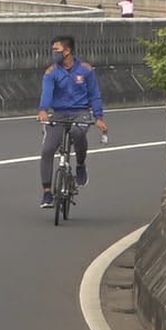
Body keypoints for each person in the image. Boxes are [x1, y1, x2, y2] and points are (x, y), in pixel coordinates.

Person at [37, 35, 108, 208]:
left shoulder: (86, 70)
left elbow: (94, 95)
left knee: (77, 132)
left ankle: (81, 165)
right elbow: (47, 92)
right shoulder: (51, 72)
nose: (54, 53)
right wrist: (43, 110)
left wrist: (99, 117)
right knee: (47, 150)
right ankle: (47, 193)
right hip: (59, 114)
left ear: (67, 51)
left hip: (80, 113)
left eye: (57, 50)